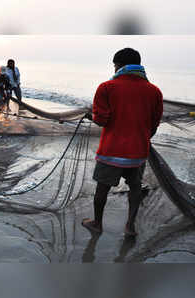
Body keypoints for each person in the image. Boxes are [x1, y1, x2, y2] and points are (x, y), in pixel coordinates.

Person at [82, 48, 163, 236]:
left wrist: (91, 115)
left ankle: (97, 224)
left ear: (119, 65)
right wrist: (139, 138)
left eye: (115, 65)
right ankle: (130, 227)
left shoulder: (106, 87)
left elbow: (101, 120)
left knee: (102, 188)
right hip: (138, 153)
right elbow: (154, 126)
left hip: (111, 151)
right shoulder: (154, 91)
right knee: (135, 187)